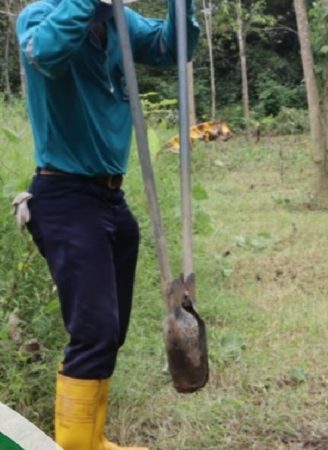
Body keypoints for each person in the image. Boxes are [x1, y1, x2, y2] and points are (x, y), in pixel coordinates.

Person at [15, 0, 200, 447]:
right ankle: (78, 446)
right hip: (64, 196)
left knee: (108, 334)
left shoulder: (119, 21)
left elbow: (171, 47)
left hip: (109, 199)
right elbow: (46, 53)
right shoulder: (39, 17)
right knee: (93, 332)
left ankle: (91, 440)